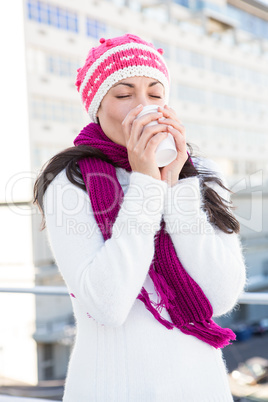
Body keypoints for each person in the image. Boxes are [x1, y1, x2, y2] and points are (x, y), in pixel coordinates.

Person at [33, 33, 246, 401]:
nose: (143, 106)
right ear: (98, 107)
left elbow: (221, 296)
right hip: (111, 388)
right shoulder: (69, 180)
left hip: (200, 388)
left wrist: (177, 187)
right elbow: (107, 304)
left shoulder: (202, 174)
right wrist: (146, 185)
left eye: (155, 94)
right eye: (123, 94)